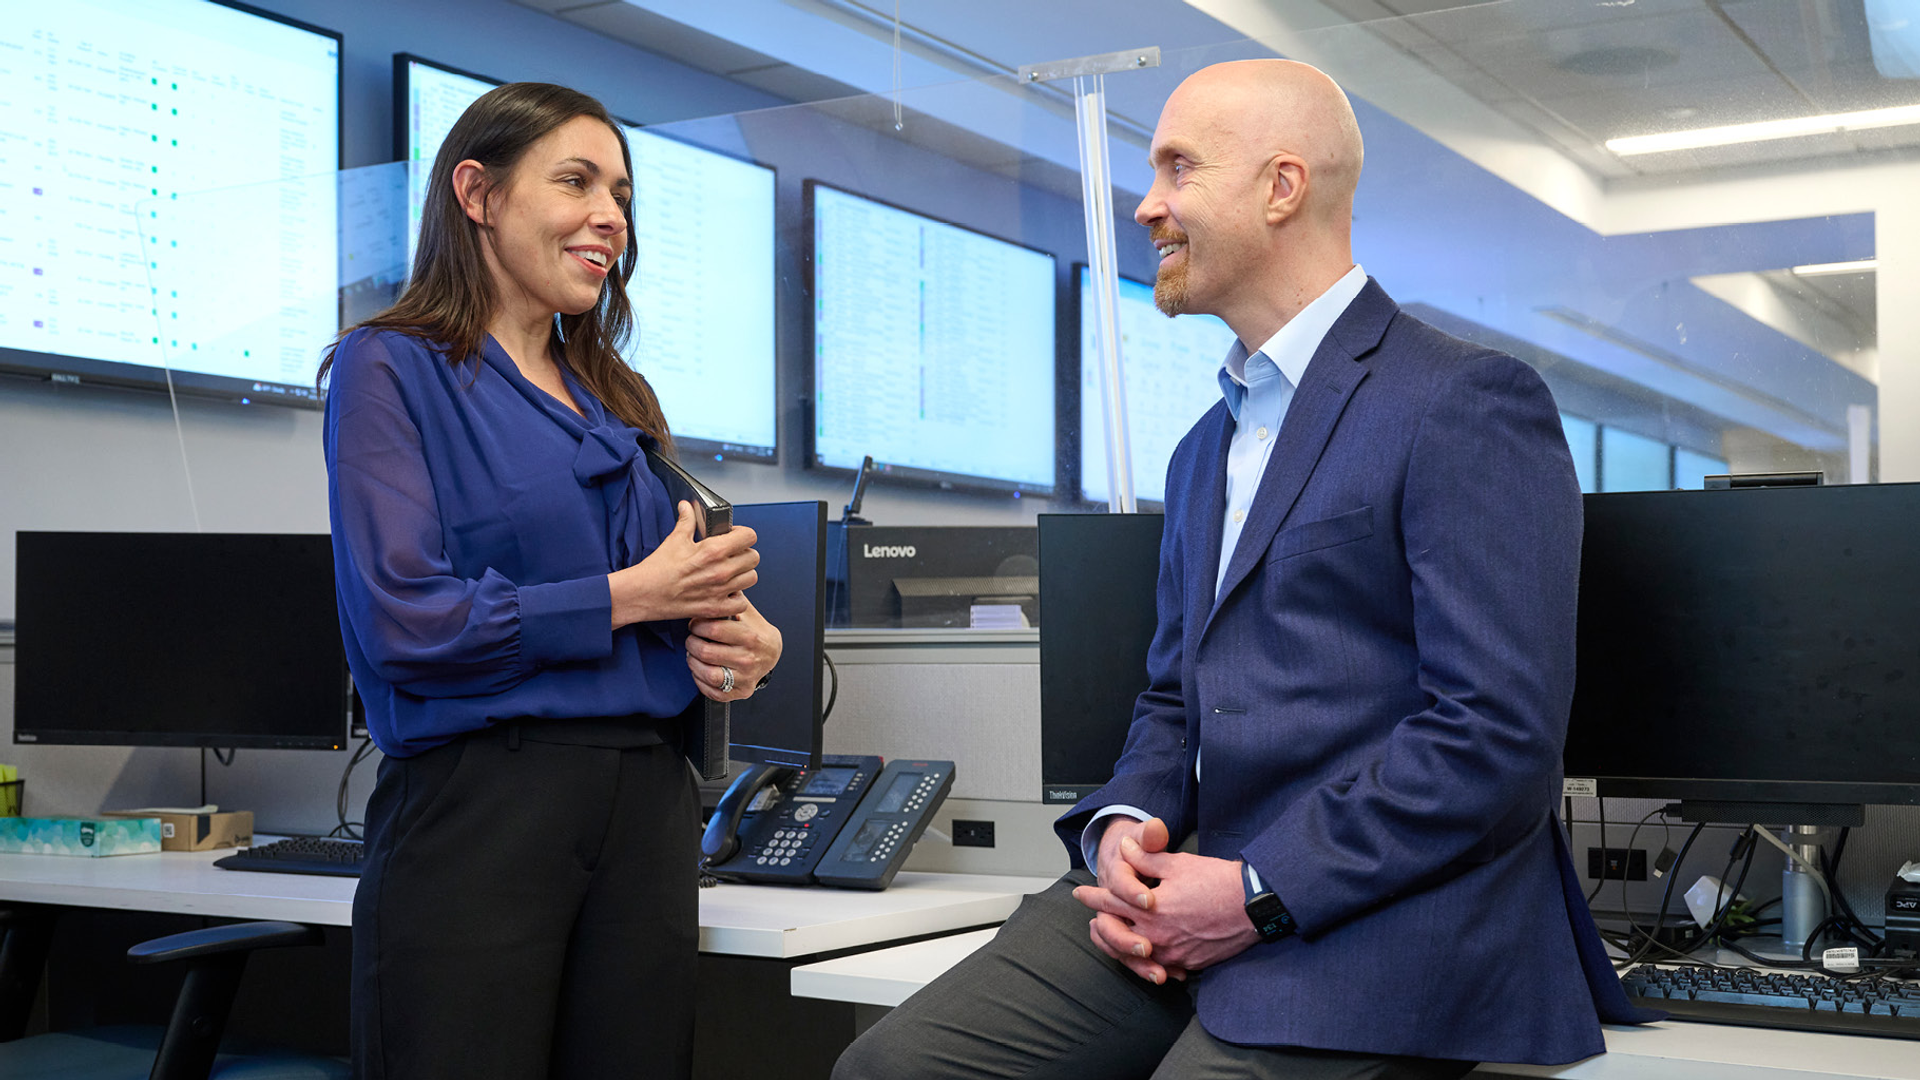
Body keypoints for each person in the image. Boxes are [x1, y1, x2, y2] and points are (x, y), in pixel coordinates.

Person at [833, 59, 1657, 1080]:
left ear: (1282, 186)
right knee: (893, 1069)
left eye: (1180, 169)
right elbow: (1178, 695)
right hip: (1184, 889)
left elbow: (1496, 735)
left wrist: (1258, 889)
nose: (1148, 206)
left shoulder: (1462, 402)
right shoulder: (1202, 452)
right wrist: (1126, 831)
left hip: (1377, 911)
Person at [320, 83, 780, 1080]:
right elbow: (404, 621)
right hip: (486, 806)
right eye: (576, 181)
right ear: (477, 193)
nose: (610, 214)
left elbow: (679, 599)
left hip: (650, 806)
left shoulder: (617, 396)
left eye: (620, 190)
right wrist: (633, 598)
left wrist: (745, 644)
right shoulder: (391, 369)